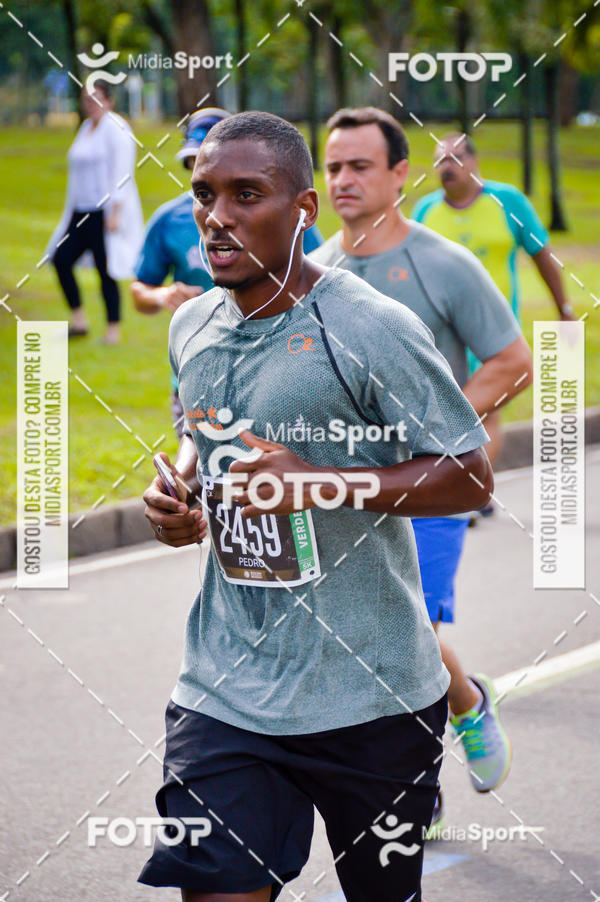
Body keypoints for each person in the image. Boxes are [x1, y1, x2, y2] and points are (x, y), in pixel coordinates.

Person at [139, 111, 494, 902]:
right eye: (204, 194)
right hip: (227, 688)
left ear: (303, 209)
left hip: (372, 695)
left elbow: (469, 475)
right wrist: (181, 493)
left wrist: (323, 480)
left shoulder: (369, 327)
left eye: (245, 194)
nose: (217, 215)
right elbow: (204, 427)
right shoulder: (192, 324)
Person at [309, 107, 533, 833]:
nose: (343, 179)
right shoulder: (315, 268)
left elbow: (512, 361)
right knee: (365, 642)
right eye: (334, 166)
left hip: (432, 485)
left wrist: (439, 425)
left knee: (410, 624)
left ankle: (441, 749)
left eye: (360, 166)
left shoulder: (444, 264)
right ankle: (455, 714)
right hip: (343, 494)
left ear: (401, 174)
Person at [131, 108, 324, 435]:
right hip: (197, 372)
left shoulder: (278, 212)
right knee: (204, 466)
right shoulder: (170, 219)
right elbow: (139, 290)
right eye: (195, 160)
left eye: (244, 192)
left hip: (277, 366)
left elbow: (318, 270)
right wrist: (162, 295)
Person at [412, 133, 574, 470]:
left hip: (491, 328)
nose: (448, 166)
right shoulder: (425, 210)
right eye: (440, 160)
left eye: (456, 158)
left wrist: (564, 309)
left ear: (474, 162)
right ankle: (457, 487)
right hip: (438, 331)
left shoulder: (508, 202)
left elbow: (542, 256)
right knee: (445, 408)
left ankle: (477, 493)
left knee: (488, 407)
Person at [47, 80, 143, 344]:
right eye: (86, 99)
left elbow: (123, 172)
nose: (90, 104)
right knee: (61, 259)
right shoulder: (86, 128)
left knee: (106, 270)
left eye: (96, 98)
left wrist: (115, 210)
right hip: (80, 211)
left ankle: (113, 330)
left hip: (105, 212)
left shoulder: (116, 127)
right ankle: (79, 320)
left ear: (109, 100)